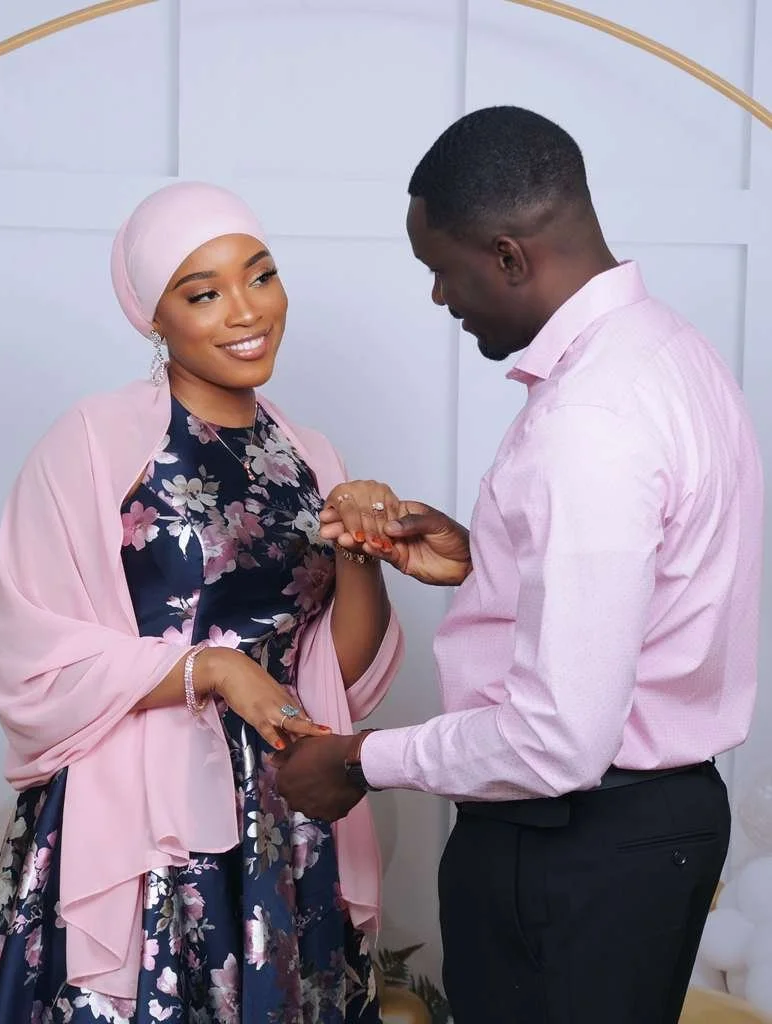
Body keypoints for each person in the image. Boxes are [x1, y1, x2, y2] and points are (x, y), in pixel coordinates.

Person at [276, 106, 763, 1024]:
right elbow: (658, 579)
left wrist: (361, 759)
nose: (438, 297)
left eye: (441, 269)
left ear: (506, 256)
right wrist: (491, 559)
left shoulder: (590, 419)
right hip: (645, 832)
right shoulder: (671, 351)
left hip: (573, 845)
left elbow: (557, 739)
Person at [0, 181, 404, 1023]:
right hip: (141, 820)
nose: (246, 311)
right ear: (153, 318)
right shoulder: (95, 442)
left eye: (261, 276)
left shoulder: (310, 455)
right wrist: (214, 669)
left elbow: (335, 673)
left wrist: (360, 550)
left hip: (283, 808)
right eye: (203, 293)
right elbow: (30, 655)